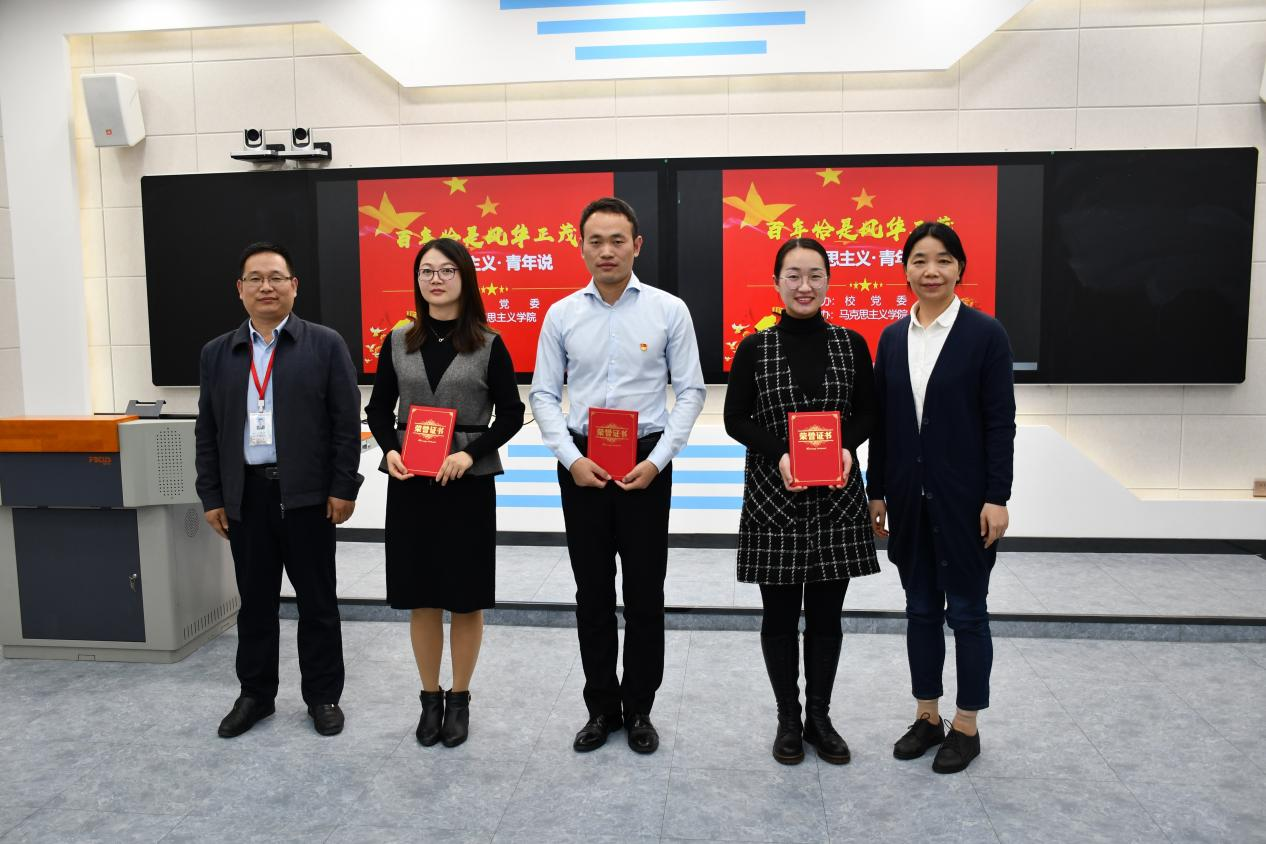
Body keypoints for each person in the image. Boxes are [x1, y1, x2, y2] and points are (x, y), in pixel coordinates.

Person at [529, 196, 705, 754]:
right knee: (593, 593)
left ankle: (641, 708)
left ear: (637, 245)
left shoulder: (669, 310)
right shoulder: (561, 315)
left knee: (646, 591)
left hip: (645, 463)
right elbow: (543, 394)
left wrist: (657, 461)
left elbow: (691, 391)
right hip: (583, 465)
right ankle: (601, 708)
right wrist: (571, 459)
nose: (606, 251)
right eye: (596, 241)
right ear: (581, 246)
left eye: (617, 240)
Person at [195, 241, 363, 738]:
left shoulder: (324, 344)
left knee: (318, 603)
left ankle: (323, 697)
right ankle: (255, 695)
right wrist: (212, 495)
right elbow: (208, 430)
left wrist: (344, 486)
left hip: (308, 498)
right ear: (240, 289)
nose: (265, 287)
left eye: (275, 277)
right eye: (255, 278)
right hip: (246, 498)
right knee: (255, 605)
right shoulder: (218, 353)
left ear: (294, 285)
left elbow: (345, 423)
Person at [723, 237, 880, 765]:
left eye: (815, 275)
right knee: (779, 617)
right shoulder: (754, 347)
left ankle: (820, 717)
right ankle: (788, 719)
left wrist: (846, 448)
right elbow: (735, 418)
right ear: (777, 283)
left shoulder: (851, 344)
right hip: (774, 497)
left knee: (827, 618)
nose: (804, 286)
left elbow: (868, 412)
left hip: (837, 499)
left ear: (829, 281)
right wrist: (782, 453)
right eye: (793, 275)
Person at [866, 222, 1016, 774]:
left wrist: (997, 496)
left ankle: (966, 725)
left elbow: (1000, 423)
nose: (931, 271)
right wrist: (877, 489)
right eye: (920, 260)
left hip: (966, 502)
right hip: (909, 499)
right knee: (922, 611)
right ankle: (926, 717)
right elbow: (884, 422)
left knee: (969, 614)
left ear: (960, 269)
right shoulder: (891, 338)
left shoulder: (985, 334)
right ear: (905, 269)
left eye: (944, 260)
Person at [364, 237, 524, 748]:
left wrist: (470, 455)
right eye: (427, 271)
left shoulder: (489, 343)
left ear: (464, 278)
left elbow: (512, 414)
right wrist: (390, 450)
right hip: (411, 485)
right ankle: (429, 698)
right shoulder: (398, 340)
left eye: (446, 270)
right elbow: (378, 409)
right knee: (421, 596)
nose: (435, 279)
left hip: (466, 487)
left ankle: (460, 698)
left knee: (465, 597)